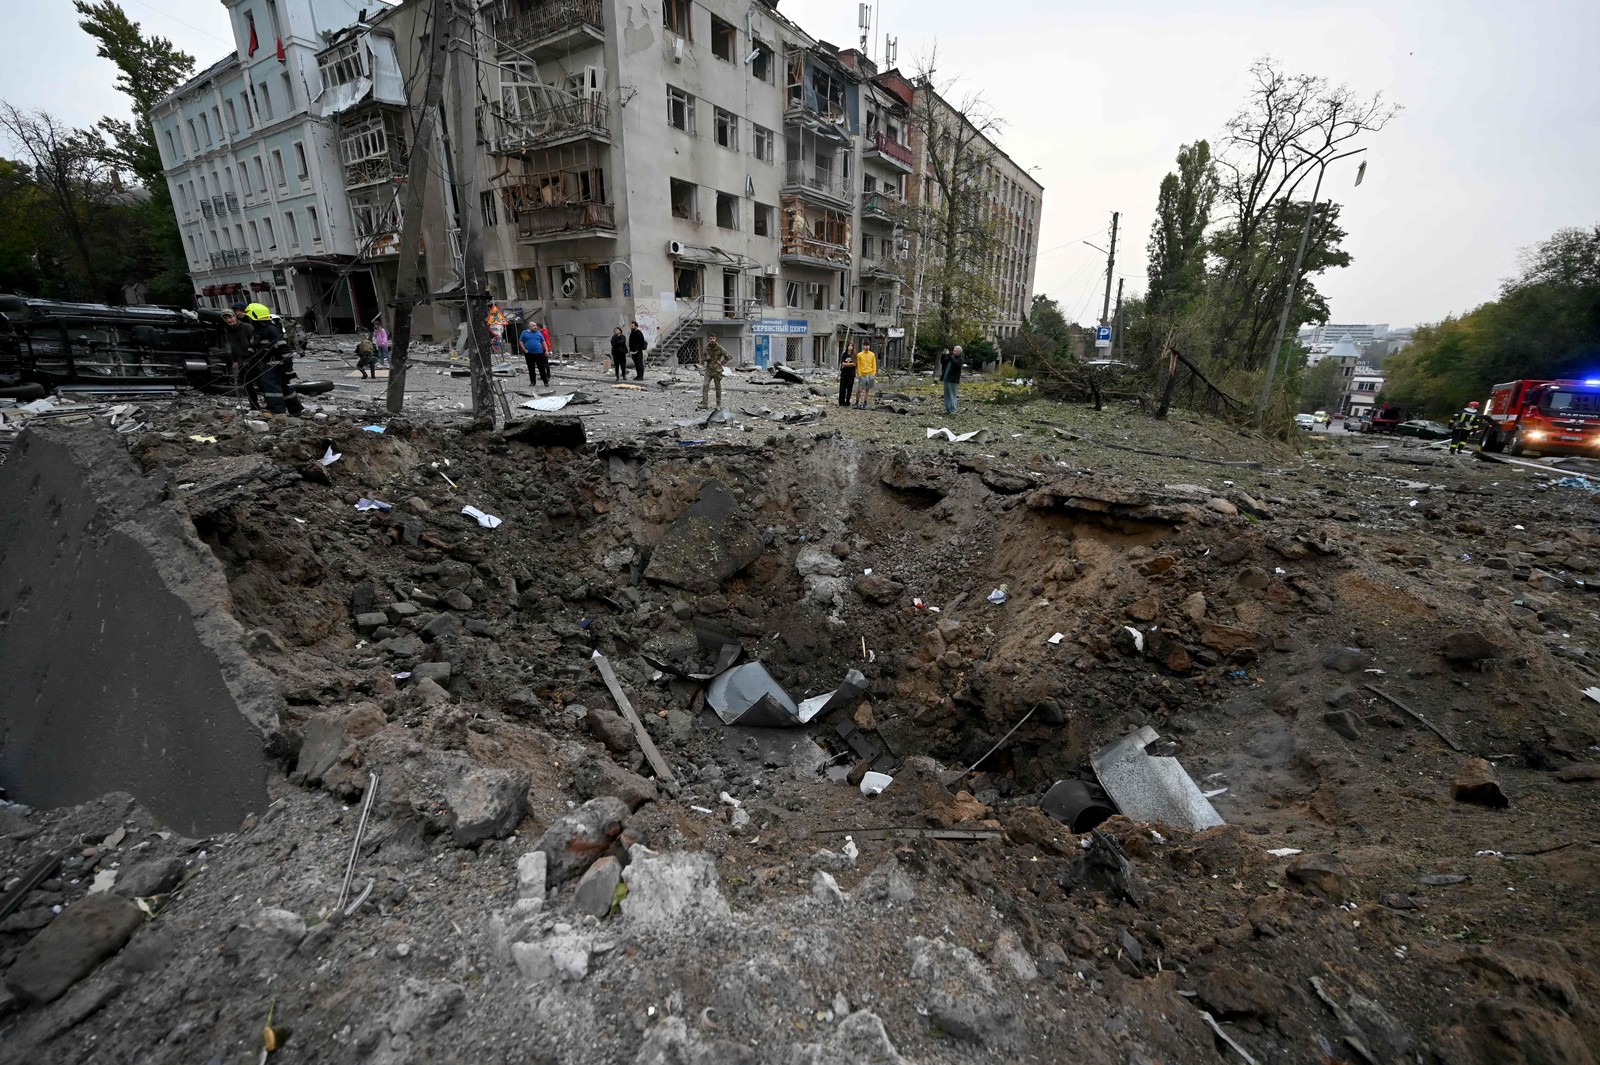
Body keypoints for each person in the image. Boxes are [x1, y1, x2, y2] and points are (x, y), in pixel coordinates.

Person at [245, 303, 304, 417]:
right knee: (283, 387)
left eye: (249, 317)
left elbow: (284, 350)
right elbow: (253, 347)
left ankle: (277, 412)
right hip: (267, 364)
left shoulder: (271, 330)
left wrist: (288, 369)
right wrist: (248, 360)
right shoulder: (258, 331)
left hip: (275, 364)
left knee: (270, 385)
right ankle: (295, 409)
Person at [224, 302, 260, 409]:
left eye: (230, 317)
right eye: (226, 318)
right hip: (241, 361)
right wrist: (234, 361)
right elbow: (233, 347)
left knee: (261, 383)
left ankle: (272, 405)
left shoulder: (247, 327)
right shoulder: (228, 331)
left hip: (253, 360)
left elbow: (255, 343)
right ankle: (254, 406)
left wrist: (251, 356)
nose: (229, 320)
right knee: (247, 385)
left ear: (234, 317)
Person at [700, 335, 729, 410]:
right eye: (710, 339)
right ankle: (704, 404)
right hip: (709, 370)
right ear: (708, 340)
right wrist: (706, 359)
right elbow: (702, 358)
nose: (712, 340)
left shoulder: (719, 347)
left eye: (713, 338)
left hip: (717, 371)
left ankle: (718, 405)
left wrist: (722, 363)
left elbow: (728, 356)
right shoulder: (706, 348)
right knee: (705, 386)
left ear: (715, 339)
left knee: (718, 388)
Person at [520, 320, 550, 385]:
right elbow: (521, 341)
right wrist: (524, 349)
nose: (535, 327)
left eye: (536, 325)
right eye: (533, 326)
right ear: (529, 327)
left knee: (541, 368)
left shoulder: (539, 333)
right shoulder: (524, 333)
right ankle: (532, 382)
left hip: (539, 353)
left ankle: (545, 382)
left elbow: (543, 341)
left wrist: (546, 350)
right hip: (529, 354)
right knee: (531, 368)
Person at [941, 344, 964, 414]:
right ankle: (948, 409)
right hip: (946, 379)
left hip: (953, 380)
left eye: (955, 351)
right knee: (946, 395)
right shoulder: (951, 357)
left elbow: (955, 363)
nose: (953, 352)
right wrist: (943, 355)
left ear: (959, 352)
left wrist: (949, 356)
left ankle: (953, 410)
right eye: (953, 350)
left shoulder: (960, 359)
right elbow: (943, 362)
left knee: (952, 395)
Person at [853, 343, 878, 409]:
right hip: (863, 374)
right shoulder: (859, 355)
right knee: (859, 389)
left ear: (869, 346)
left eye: (868, 345)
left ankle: (865, 403)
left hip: (870, 374)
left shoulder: (872, 354)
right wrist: (859, 374)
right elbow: (858, 365)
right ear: (863, 346)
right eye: (865, 345)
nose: (867, 346)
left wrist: (873, 373)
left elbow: (874, 364)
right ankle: (857, 402)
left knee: (867, 389)